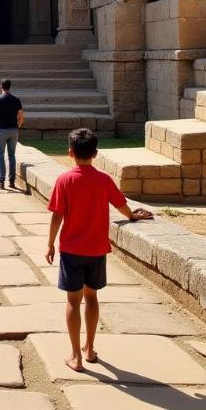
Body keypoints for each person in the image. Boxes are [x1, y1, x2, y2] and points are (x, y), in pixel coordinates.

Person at [46, 127, 154, 373]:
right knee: (92, 297)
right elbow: (121, 205)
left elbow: (57, 216)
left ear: (69, 153)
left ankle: (75, 355)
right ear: (95, 153)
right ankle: (89, 348)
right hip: (96, 250)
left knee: (73, 300)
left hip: (72, 250)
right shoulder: (103, 180)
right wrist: (133, 217)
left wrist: (50, 243)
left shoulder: (64, 180)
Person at [0, 78, 24, 189]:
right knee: (12, 156)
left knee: (0, 156)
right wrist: (19, 125)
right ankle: (12, 181)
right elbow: (21, 116)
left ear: (1, 86)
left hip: (2, 130)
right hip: (14, 130)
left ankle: (1, 181)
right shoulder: (16, 99)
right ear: (9, 86)